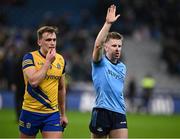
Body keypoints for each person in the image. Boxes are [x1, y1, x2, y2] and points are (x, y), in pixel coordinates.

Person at [19, 26, 68, 138]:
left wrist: (63, 114)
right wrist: (47, 62)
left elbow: (61, 88)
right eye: (48, 40)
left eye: (54, 40)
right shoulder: (29, 57)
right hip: (30, 111)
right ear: (39, 42)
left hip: (52, 114)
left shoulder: (61, 60)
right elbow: (33, 82)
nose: (52, 43)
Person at [89, 5, 128, 138]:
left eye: (119, 46)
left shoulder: (122, 67)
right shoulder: (99, 62)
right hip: (102, 111)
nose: (117, 49)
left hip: (119, 112)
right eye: (114, 45)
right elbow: (97, 45)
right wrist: (108, 23)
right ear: (106, 47)